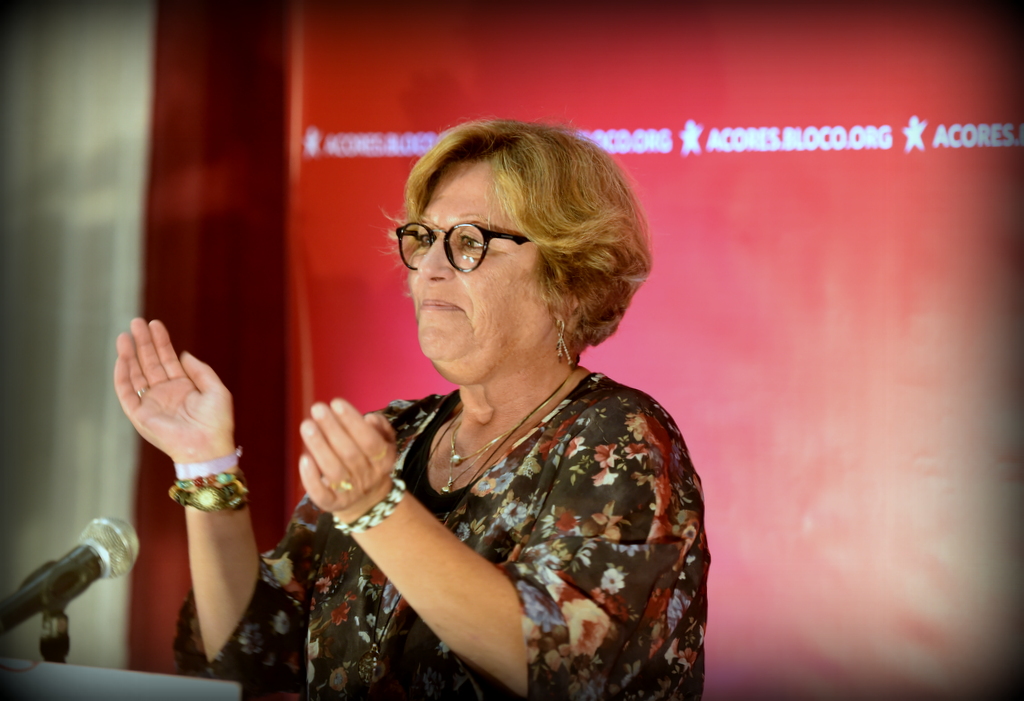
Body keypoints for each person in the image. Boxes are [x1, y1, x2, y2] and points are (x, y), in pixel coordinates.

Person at [114, 119, 709, 700]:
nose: (429, 268)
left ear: (568, 276)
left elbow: (558, 668)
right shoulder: (396, 434)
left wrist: (376, 510)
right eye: (423, 239)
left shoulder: (622, 439)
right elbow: (254, 657)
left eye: (470, 242)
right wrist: (205, 464)